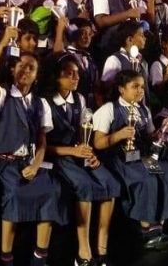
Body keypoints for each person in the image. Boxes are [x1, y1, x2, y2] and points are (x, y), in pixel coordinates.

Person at [0, 26, 66, 266]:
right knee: (14, 194)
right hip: (4, 163)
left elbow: (42, 140)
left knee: (51, 191)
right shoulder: (3, 96)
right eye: (21, 66)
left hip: (29, 162)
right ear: (13, 69)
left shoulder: (41, 104)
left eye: (31, 68)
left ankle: (40, 256)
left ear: (37, 75)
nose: (25, 70)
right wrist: (3, 43)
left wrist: (36, 164)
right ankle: (6, 257)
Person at [92, 69, 168, 251]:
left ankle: (158, 228)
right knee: (146, 179)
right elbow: (98, 143)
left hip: (141, 157)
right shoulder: (109, 109)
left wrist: (162, 130)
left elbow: (150, 137)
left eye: (142, 87)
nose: (140, 90)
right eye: (135, 86)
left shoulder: (143, 109)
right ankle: (147, 230)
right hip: (118, 158)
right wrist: (119, 135)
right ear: (121, 89)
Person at [40, 54, 120, 266]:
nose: (75, 78)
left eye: (77, 73)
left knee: (110, 182)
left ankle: (101, 249)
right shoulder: (45, 102)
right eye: (69, 74)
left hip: (78, 153)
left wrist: (89, 153)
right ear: (57, 77)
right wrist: (73, 151)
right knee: (84, 186)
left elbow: (82, 135)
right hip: (57, 157)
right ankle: (83, 252)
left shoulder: (80, 99)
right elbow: (42, 147)